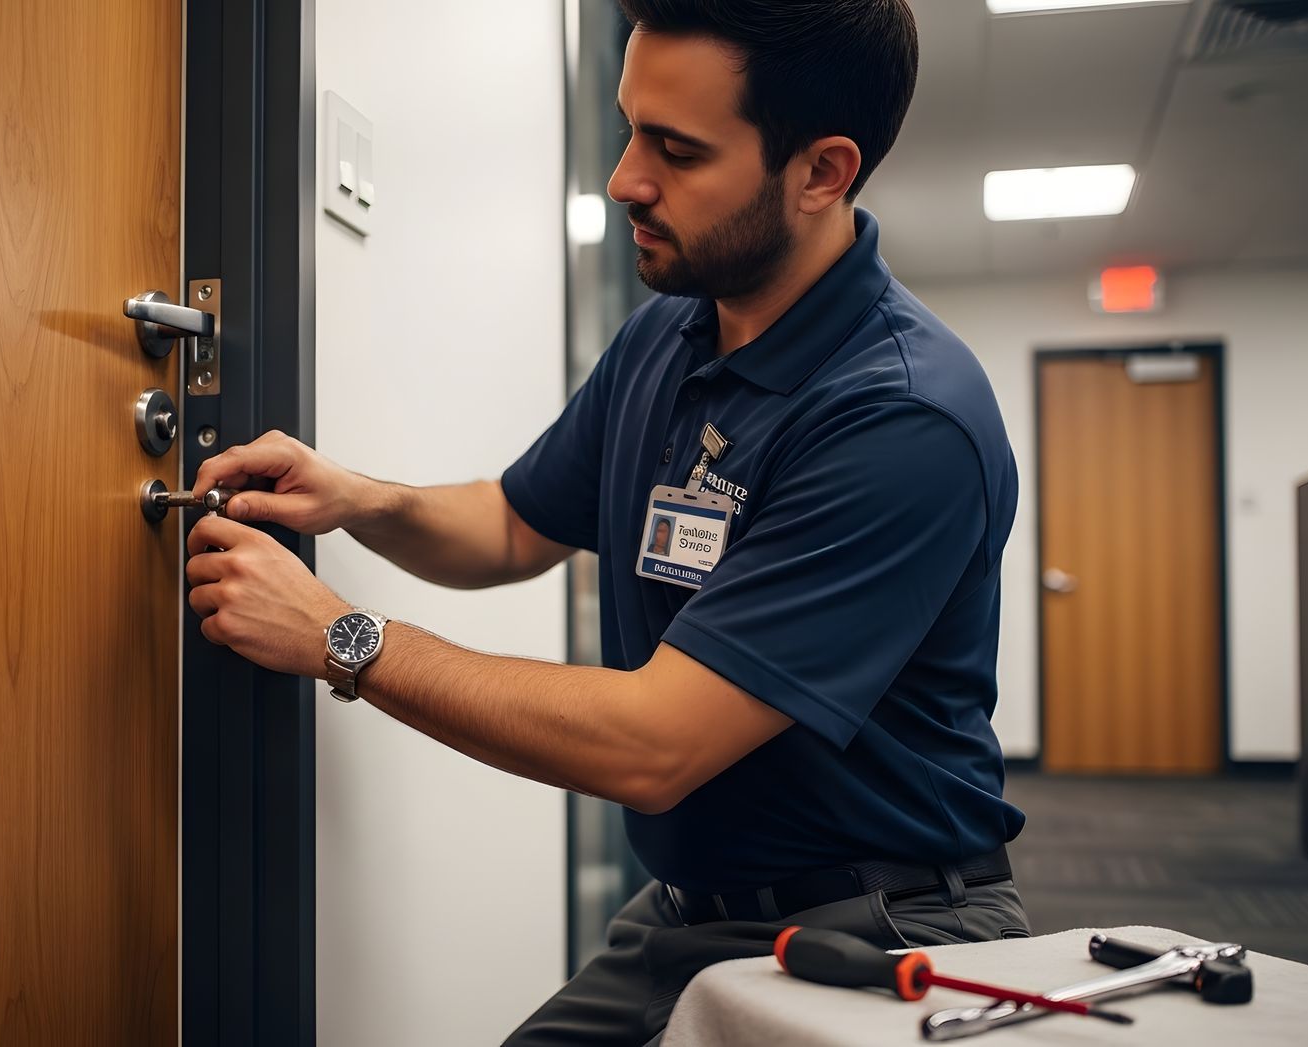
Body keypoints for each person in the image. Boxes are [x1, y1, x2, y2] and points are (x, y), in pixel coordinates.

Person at [182, 0, 1027, 1041]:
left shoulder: (900, 418)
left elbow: (652, 745)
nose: (625, 177)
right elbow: (509, 524)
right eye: (630, 128)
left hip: (887, 927)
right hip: (692, 916)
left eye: (675, 150)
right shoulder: (670, 333)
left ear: (821, 172)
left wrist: (338, 637)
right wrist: (360, 497)